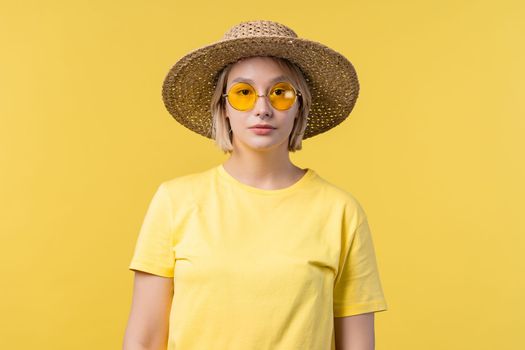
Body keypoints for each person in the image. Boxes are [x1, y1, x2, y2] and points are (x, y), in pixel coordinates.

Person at [123, 20, 388, 350]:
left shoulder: (340, 211)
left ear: (299, 106)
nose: (262, 109)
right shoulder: (175, 201)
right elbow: (144, 340)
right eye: (243, 93)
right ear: (224, 108)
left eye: (280, 93)